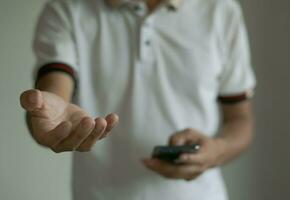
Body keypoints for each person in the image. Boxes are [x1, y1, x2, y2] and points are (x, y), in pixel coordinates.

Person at [19, 0, 256, 199]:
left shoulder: (221, 11)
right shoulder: (67, 8)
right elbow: (53, 96)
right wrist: (48, 118)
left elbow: (240, 119)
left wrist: (216, 151)